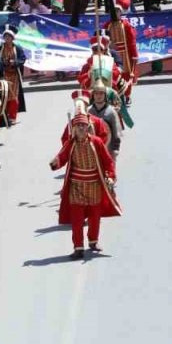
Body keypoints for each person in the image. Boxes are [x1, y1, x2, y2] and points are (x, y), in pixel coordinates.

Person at [49, 111, 120, 259]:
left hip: (94, 185)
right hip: (76, 187)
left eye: (83, 125)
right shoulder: (71, 143)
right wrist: (55, 162)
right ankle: (78, 248)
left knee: (95, 217)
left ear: (88, 127)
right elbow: (62, 156)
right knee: (77, 219)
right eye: (78, 126)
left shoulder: (97, 142)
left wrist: (111, 177)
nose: (81, 128)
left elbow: (108, 162)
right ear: (74, 128)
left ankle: (93, 241)